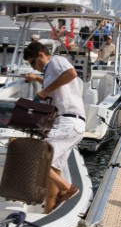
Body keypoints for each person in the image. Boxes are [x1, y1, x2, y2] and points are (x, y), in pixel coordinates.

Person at [23, 42, 86, 214]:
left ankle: (68, 189)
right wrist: (36, 79)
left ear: (41, 54)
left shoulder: (56, 60)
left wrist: (44, 91)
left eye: (32, 62)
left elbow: (71, 73)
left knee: (35, 157)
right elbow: (58, 84)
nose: (33, 66)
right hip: (68, 124)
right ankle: (49, 212)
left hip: (67, 122)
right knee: (54, 173)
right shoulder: (49, 72)